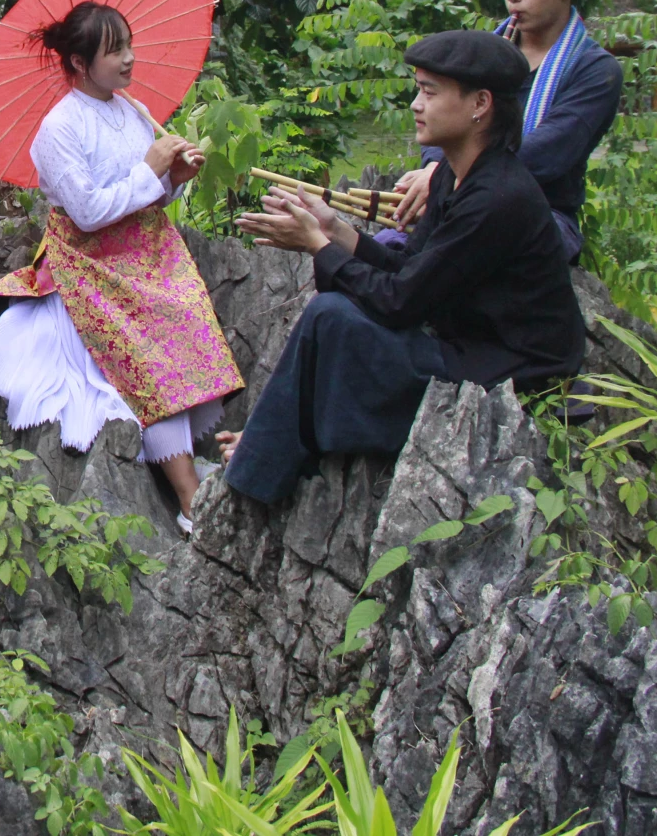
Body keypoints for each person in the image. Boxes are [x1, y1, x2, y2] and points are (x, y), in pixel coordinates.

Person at [220, 30, 586, 505]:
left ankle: (261, 461)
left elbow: (400, 302)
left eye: (429, 92)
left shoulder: (497, 197)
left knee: (332, 316)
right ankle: (267, 450)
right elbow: (411, 267)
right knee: (332, 315)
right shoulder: (457, 177)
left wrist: (317, 245)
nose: (416, 104)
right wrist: (338, 233)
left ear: (480, 104)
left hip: (513, 369)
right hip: (470, 342)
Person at [0, 2, 245, 530]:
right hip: (90, 260)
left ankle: (193, 460)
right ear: (78, 63)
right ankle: (189, 494)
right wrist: (151, 168)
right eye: (114, 50)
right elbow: (90, 211)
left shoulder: (130, 110)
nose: (129, 59)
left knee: (187, 317)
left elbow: (148, 199)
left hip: (147, 251)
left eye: (128, 45)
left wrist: (175, 178)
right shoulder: (58, 130)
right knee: (148, 352)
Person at [391, 0, 622, 263]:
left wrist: (443, 176)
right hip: (454, 199)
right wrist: (437, 170)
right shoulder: (481, 56)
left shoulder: (594, 70)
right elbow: (441, 122)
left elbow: (545, 154)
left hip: (542, 214)